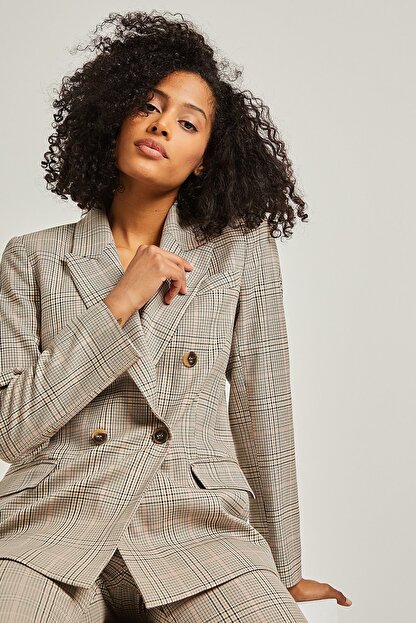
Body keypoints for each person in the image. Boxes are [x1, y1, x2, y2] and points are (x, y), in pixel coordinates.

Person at [0, 10, 352, 622]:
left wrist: (283, 567)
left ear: (205, 158)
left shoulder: (238, 249)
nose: (162, 125)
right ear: (114, 117)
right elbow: (11, 429)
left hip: (198, 532)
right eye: (149, 106)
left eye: (188, 123)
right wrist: (119, 301)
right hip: (51, 528)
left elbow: (263, 406)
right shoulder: (32, 258)